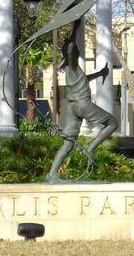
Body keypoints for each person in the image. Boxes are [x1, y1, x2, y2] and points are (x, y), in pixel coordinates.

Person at [46, 23, 118, 183]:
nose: (77, 51)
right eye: (75, 51)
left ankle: (52, 174)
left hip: (73, 107)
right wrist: (76, 26)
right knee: (113, 123)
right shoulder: (71, 65)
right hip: (82, 104)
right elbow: (70, 48)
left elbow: (84, 80)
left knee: (68, 143)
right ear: (71, 55)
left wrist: (100, 73)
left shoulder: (75, 71)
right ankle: (91, 149)